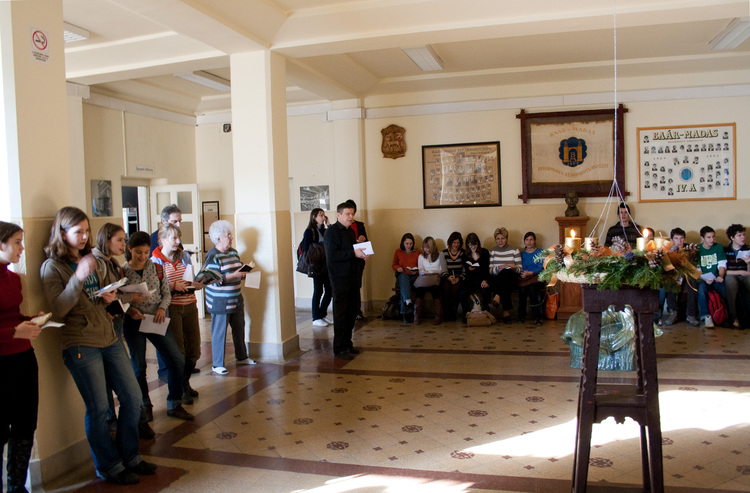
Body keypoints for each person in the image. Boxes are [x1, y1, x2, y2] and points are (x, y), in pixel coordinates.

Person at [40, 207, 156, 485]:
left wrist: (109, 297)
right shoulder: (52, 267)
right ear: (62, 233)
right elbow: (60, 307)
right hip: (81, 342)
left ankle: (131, 456)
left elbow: (102, 292)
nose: (84, 237)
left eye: (86, 231)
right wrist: (78, 277)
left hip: (109, 337)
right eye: (78, 232)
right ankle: (109, 465)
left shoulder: (89, 259)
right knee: (99, 407)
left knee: (132, 397)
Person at [122, 232, 194, 429]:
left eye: (146, 252)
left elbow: (166, 293)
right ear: (130, 249)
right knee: (139, 366)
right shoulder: (122, 272)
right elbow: (119, 298)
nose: (143, 256)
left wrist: (162, 308)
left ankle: (174, 402)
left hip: (155, 318)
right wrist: (130, 309)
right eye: (138, 252)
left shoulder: (156, 267)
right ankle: (145, 404)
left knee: (177, 359)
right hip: (134, 322)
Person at [92, 223, 152, 438]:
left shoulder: (111, 262)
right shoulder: (96, 263)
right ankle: (118, 420)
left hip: (115, 324)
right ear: (106, 239)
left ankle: (136, 421)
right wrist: (128, 298)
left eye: (124, 239)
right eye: (119, 240)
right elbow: (102, 297)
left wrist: (129, 308)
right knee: (115, 378)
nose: (123, 244)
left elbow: (115, 295)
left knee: (124, 379)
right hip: (103, 328)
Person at [1, 221, 42, 493]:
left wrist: (31, 321)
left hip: (23, 359)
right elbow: (10, 327)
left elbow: (12, 316)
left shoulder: (13, 278)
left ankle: (17, 485)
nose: (22, 248)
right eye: (17, 242)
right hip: (2, 363)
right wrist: (16, 331)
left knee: (25, 425)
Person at [151, 224, 202, 397]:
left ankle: (184, 382)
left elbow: (189, 277)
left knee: (194, 351)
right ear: (162, 239)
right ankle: (181, 388)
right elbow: (154, 287)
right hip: (172, 308)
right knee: (179, 352)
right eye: (173, 238)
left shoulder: (184, 257)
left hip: (190, 305)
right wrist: (172, 285)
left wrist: (195, 284)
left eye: (179, 237)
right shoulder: (155, 261)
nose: (178, 241)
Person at [204, 220, 255, 374]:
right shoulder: (212, 256)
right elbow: (212, 278)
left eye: (231, 235)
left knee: (239, 329)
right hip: (220, 301)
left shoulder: (233, 252)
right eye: (228, 235)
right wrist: (234, 275)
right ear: (219, 238)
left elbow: (237, 269)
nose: (231, 237)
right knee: (219, 332)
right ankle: (217, 364)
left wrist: (244, 273)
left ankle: (242, 357)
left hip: (236, 299)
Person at [323, 202, 369, 360]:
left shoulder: (350, 231)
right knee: (341, 314)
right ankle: (339, 348)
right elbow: (332, 256)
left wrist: (362, 253)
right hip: (340, 280)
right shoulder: (331, 232)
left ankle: (347, 343)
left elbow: (352, 252)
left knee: (352, 312)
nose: (351, 217)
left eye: (352, 214)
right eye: (347, 214)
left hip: (353, 277)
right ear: (338, 215)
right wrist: (354, 253)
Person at [301, 209, 332, 327]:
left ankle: (322, 314)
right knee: (318, 291)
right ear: (314, 217)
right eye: (320, 215)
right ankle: (316, 317)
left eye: (324, 215)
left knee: (329, 290)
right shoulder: (310, 231)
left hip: (325, 264)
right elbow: (306, 249)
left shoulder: (324, 230)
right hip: (316, 265)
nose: (323, 217)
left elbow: (332, 238)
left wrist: (329, 225)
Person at [693, 225, 727, 328]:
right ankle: (706, 316)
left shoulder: (718, 247)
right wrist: (705, 279)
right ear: (702, 238)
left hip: (716, 277)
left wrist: (720, 276)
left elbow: (722, 264)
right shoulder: (697, 250)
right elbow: (696, 269)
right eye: (708, 237)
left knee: (723, 287)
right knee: (702, 289)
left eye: (713, 237)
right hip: (703, 277)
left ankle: (724, 315)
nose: (712, 239)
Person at [658, 227, 690, 326]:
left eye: (681, 238)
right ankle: (673, 312)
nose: (679, 241)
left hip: (687, 277)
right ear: (671, 239)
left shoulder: (689, 250)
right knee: (669, 283)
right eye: (676, 238)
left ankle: (690, 315)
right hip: (672, 277)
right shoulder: (667, 251)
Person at [489, 227, 521, 324]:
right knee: (503, 275)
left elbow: (520, 269)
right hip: (497, 278)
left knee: (506, 273)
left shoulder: (514, 250)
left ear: (507, 239)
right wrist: (500, 268)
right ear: (495, 240)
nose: (500, 241)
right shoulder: (492, 251)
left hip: (512, 278)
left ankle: (497, 297)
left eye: (502, 238)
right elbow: (490, 271)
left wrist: (512, 267)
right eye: (498, 239)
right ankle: (506, 312)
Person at [413, 237, 447, 325]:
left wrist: (430, 271)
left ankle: (438, 316)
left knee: (436, 290)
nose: (426, 250)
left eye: (428, 247)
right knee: (420, 290)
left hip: (435, 278)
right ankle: (417, 316)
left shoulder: (440, 255)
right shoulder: (421, 256)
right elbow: (420, 270)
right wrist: (424, 272)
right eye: (424, 247)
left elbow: (442, 270)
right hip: (424, 278)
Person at [345, 199, 368, 321]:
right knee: (346, 287)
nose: (350, 215)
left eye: (352, 212)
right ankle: (348, 311)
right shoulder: (341, 227)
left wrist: (363, 239)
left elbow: (366, 242)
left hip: (358, 261)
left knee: (357, 286)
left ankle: (357, 311)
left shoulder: (360, 225)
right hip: (346, 260)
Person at [723, 224, 750, 328]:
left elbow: (749, 273)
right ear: (732, 238)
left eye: (743, 235)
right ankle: (733, 317)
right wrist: (739, 272)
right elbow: (722, 271)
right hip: (731, 274)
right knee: (730, 281)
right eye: (739, 235)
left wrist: (748, 263)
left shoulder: (748, 249)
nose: (743, 237)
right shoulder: (725, 251)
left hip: (746, 275)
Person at [517, 232, 545, 326]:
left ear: (535, 241)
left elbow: (541, 267)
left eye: (531, 240)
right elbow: (520, 267)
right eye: (527, 240)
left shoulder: (540, 252)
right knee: (522, 290)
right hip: (525, 278)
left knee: (533, 289)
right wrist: (524, 274)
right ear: (524, 241)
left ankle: (537, 317)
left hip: (537, 277)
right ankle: (521, 316)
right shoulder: (522, 254)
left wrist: (531, 272)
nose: (529, 242)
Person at [392, 233, 420, 324]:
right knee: (404, 278)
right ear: (403, 243)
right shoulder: (398, 252)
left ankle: (406, 311)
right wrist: (398, 268)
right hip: (402, 277)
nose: (409, 246)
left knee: (404, 288)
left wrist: (415, 271)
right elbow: (394, 265)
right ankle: (408, 305)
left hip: (414, 277)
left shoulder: (417, 252)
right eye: (407, 243)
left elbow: (421, 267)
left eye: (411, 244)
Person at [462, 233, 491, 314]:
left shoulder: (484, 252)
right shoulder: (465, 255)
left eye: (475, 244)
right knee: (462, 293)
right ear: (468, 245)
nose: (473, 247)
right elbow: (466, 271)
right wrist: (469, 269)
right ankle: (466, 313)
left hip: (482, 279)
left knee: (485, 292)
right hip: (470, 280)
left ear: (478, 243)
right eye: (470, 245)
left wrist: (485, 280)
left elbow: (486, 269)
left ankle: (486, 312)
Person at [441, 232, 466, 322]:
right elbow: (443, 270)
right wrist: (448, 277)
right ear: (450, 242)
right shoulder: (443, 253)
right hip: (447, 277)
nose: (456, 245)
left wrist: (459, 278)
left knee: (455, 289)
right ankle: (446, 313)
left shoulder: (463, 253)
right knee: (446, 288)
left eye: (458, 243)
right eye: (454, 242)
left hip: (459, 278)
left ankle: (453, 313)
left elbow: (465, 270)